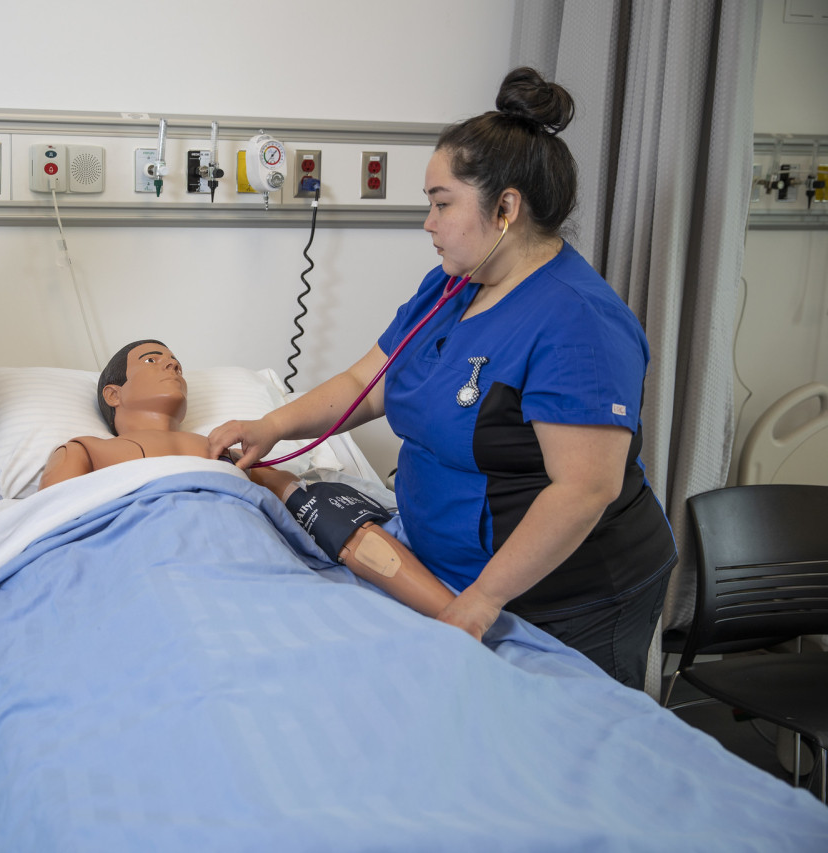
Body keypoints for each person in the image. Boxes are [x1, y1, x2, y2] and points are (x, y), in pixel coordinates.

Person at [208, 68, 677, 689]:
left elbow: (583, 491)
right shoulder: (451, 287)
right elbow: (365, 384)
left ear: (506, 208)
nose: (427, 223)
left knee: (566, 758)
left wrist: (480, 604)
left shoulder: (577, 321)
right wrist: (268, 426)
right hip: (452, 577)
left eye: (441, 203)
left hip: (564, 598)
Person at [36, 339, 456, 619]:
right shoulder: (84, 451)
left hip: (263, 579)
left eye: (176, 362)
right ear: (114, 394)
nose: (172, 365)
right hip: (151, 584)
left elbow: (328, 522)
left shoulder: (233, 455)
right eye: (152, 360)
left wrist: (456, 613)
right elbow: (49, 537)